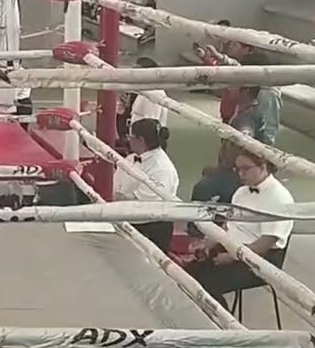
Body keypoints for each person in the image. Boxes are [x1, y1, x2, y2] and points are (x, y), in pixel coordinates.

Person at [184, 150, 293, 308]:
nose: (241, 174)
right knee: (188, 274)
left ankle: (221, 322)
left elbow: (265, 243)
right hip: (232, 247)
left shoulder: (278, 197)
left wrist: (233, 256)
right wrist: (209, 244)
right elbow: (228, 225)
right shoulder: (241, 191)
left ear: (263, 166)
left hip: (260, 260)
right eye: (238, 169)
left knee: (208, 285)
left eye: (246, 168)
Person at [112, 118, 179, 253]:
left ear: (140, 140)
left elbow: (140, 204)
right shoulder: (131, 158)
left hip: (149, 228)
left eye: (130, 137)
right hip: (127, 221)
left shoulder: (162, 169)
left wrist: (112, 197)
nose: (128, 140)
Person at [239, 53, 283, 145]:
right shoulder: (250, 87)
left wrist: (265, 145)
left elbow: (270, 124)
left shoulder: (268, 94)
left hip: (257, 140)